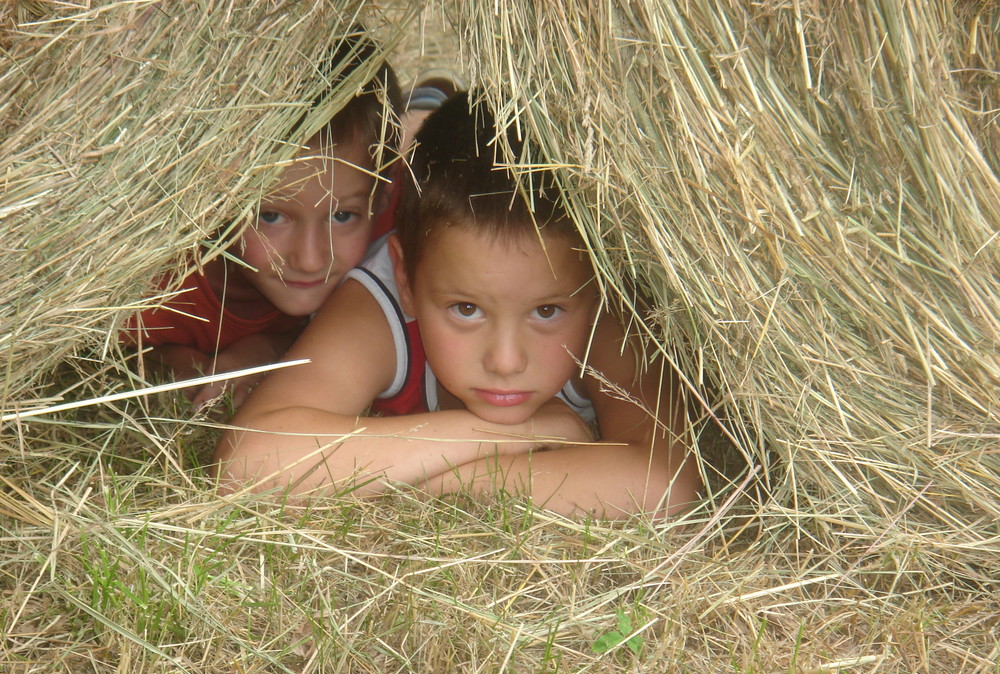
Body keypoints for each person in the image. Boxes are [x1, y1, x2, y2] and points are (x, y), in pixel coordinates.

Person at [214, 92, 701, 519]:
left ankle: (429, 99)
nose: (506, 362)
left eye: (546, 312)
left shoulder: (604, 310)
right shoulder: (380, 302)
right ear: (405, 278)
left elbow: (666, 483)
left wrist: (438, 481)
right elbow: (248, 464)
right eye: (466, 310)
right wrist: (512, 434)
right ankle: (428, 99)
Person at [122, 34, 403, 408]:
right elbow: (112, 350)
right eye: (271, 215)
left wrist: (261, 352)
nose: (310, 259)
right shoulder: (155, 288)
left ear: (379, 198)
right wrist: (170, 361)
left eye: (341, 216)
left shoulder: (390, 241)